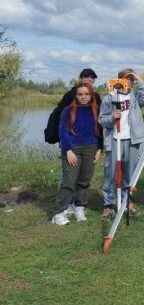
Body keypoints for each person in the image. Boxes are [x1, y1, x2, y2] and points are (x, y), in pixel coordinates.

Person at [99, 69, 144, 219]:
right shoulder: (109, 98)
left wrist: (137, 78)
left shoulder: (135, 97)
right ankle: (109, 205)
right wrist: (112, 117)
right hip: (114, 139)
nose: (128, 82)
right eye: (125, 79)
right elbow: (102, 120)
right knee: (110, 173)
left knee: (130, 173)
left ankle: (126, 201)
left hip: (132, 139)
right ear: (118, 80)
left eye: (131, 80)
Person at [51, 83, 103, 225]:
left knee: (84, 181)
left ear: (91, 95)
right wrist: (68, 150)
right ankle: (59, 212)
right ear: (76, 95)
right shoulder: (68, 111)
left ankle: (79, 206)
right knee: (69, 181)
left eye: (86, 94)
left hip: (91, 148)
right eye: (80, 94)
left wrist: (99, 148)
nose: (83, 97)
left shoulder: (96, 110)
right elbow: (62, 132)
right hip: (72, 149)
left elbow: (100, 131)